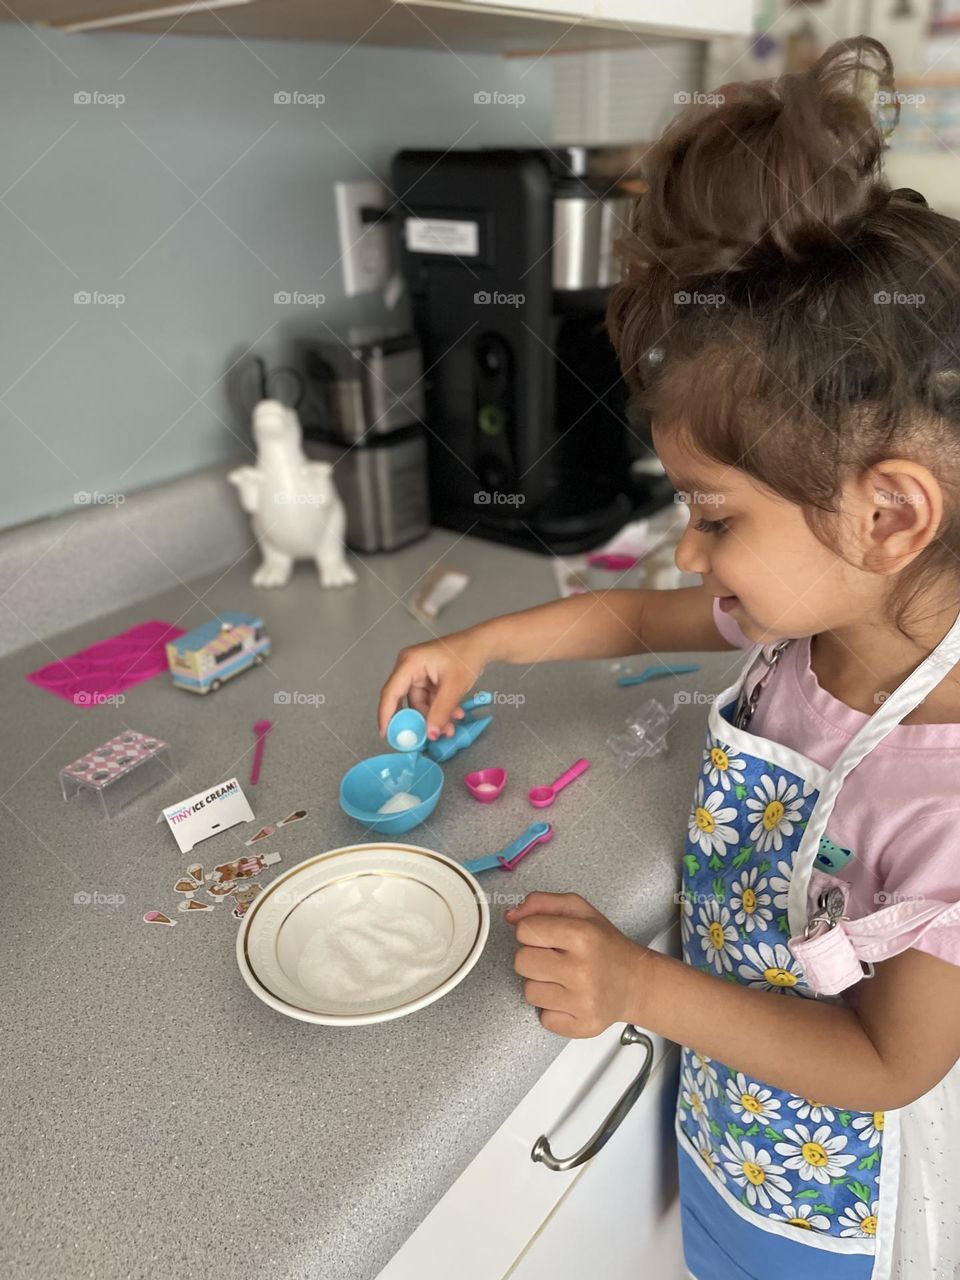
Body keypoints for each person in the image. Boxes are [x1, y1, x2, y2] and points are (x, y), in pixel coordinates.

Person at [378, 38, 960, 1280]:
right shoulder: (826, 617)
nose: (693, 556)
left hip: (821, 1204)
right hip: (724, 1117)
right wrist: (485, 640)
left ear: (888, 513)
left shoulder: (946, 790)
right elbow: (635, 621)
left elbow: (888, 1061)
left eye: (716, 515)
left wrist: (640, 984)